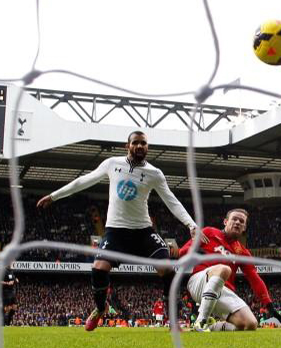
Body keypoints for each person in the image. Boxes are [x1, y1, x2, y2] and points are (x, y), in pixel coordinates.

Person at [37, 131, 197, 332]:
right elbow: (84, 181)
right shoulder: (112, 163)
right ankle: (100, 308)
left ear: (148, 147)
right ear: (127, 146)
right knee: (98, 269)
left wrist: (191, 224)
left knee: (167, 270)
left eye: (144, 143)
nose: (140, 146)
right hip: (115, 231)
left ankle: (173, 320)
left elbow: (171, 201)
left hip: (143, 231)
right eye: (136, 143)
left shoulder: (155, 173)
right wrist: (54, 196)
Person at [177, 208, 281, 332]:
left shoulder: (243, 252)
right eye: (234, 219)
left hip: (222, 291)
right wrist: (195, 249)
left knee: (250, 325)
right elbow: (182, 253)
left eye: (241, 221)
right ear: (225, 222)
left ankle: (212, 326)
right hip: (199, 282)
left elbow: (254, 278)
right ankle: (201, 321)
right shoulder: (209, 232)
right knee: (224, 269)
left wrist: (270, 306)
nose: (237, 222)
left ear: (244, 228)